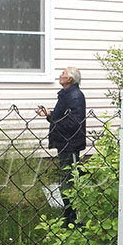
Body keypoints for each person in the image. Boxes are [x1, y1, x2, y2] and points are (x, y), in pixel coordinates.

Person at [37, 67, 87, 226]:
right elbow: (62, 116)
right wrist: (49, 115)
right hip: (64, 143)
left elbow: (74, 123)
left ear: (70, 79)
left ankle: (73, 219)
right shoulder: (66, 94)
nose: (60, 75)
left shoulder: (75, 96)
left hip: (70, 144)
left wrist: (54, 120)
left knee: (70, 180)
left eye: (64, 74)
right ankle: (69, 217)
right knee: (67, 179)